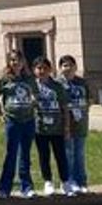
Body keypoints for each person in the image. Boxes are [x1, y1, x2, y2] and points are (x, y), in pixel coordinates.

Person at [0, 50, 36, 199]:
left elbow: (35, 94)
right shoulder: (5, 79)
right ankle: (5, 187)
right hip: (12, 120)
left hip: (28, 120)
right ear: (9, 63)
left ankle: (27, 186)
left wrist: (33, 100)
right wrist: (1, 114)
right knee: (10, 154)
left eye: (18, 60)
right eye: (12, 60)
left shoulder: (29, 79)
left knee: (25, 154)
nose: (15, 63)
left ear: (23, 62)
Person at [31, 56, 71, 197]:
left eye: (45, 68)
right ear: (34, 70)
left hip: (57, 127)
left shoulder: (57, 87)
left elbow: (65, 108)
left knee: (61, 155)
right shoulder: (31, 86)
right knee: (44, 156)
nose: (42, 71)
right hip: (40, 128)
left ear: (50, 70)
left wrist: (66, 127)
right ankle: (48, 181)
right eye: (39, 68)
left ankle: (65, 181)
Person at [58, 55, 90, 194]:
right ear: (60, 68)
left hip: (81, 124)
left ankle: (81, 182)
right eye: (64, 65)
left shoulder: (82, 82)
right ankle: (68, 181)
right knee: (68, 154)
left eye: (70, 65)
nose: (68, 68)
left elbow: (89, 99)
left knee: (80, 154)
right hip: (66, 125)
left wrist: (81, 112)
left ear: (75, 67)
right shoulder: (58, 84)